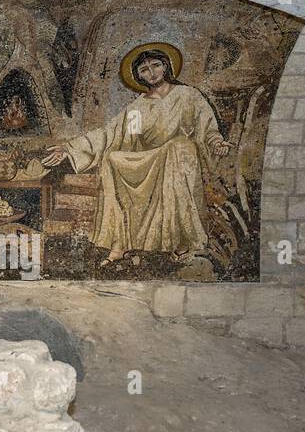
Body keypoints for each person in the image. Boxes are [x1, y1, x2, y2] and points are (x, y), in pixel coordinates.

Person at [43, 45, 231, 267]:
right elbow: (113, 133)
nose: (151, 73)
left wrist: (216, 142)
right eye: (144, 69)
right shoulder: (138, 108)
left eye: (156, 66)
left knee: (179, 146)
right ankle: (120, 245)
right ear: (138, 76)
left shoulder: (188, 95)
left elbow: (207, 126)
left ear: (166, 67)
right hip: (151, 159)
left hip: (179, 158)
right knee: (112, 158)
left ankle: (181, 241)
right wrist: (69, 148)